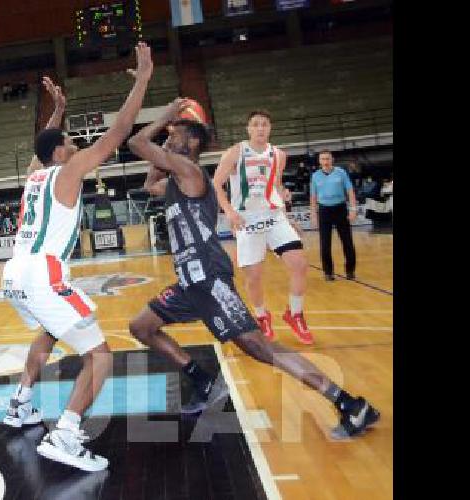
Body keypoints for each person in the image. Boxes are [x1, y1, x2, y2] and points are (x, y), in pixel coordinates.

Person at [125, 100, 381, 441]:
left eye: (176, 137)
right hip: (189, 283)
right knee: (142, 326)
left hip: (210, 279)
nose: (169, 140)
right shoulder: (173, 182)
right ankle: (203, 382)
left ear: (193, 143)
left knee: (260, 348)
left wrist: (165, 116)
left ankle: (349, 404)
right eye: (168, 139)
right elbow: (149, 183)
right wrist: (170, 135)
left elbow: (137, 144)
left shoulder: (191, 173)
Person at [1, 44, 152, 473]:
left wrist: (58, 110)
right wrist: (141, 80)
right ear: (63, 154)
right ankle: (66, 433)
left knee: (49, 333)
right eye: (71, 142)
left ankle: (20, 404)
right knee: (100, 354)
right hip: (44, 273)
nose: (76, 145)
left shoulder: (35, 173)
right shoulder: (68, 171)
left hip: (14, 274)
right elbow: (118, 133)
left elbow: (43, 144)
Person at [212, 109, 313, 344]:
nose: (260, 128)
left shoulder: (279, 154)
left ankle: (295, 314)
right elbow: (216, 185)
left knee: (299, 264)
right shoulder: (235, 152)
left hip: (274, 216)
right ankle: (262, 316)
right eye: (255, 124)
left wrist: (286, 206)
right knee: (254, 277)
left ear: (270, 128)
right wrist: (229, 212)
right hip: (247, 220)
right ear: (248, 128)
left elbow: (276, 185)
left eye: (264, 124)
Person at [310, 150, 358, 281]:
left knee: (347, 242)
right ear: (319, 161)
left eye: (327, 159)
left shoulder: (341, 172)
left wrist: (353, 209)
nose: (325, 162)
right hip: (324, 211)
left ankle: (350, 271)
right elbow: (313, 197)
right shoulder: (315, 176)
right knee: (325, 244)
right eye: (323, 159)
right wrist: (313, 214)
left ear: (332, 160)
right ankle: (328, 272)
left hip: (340, 209)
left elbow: (350, 191)